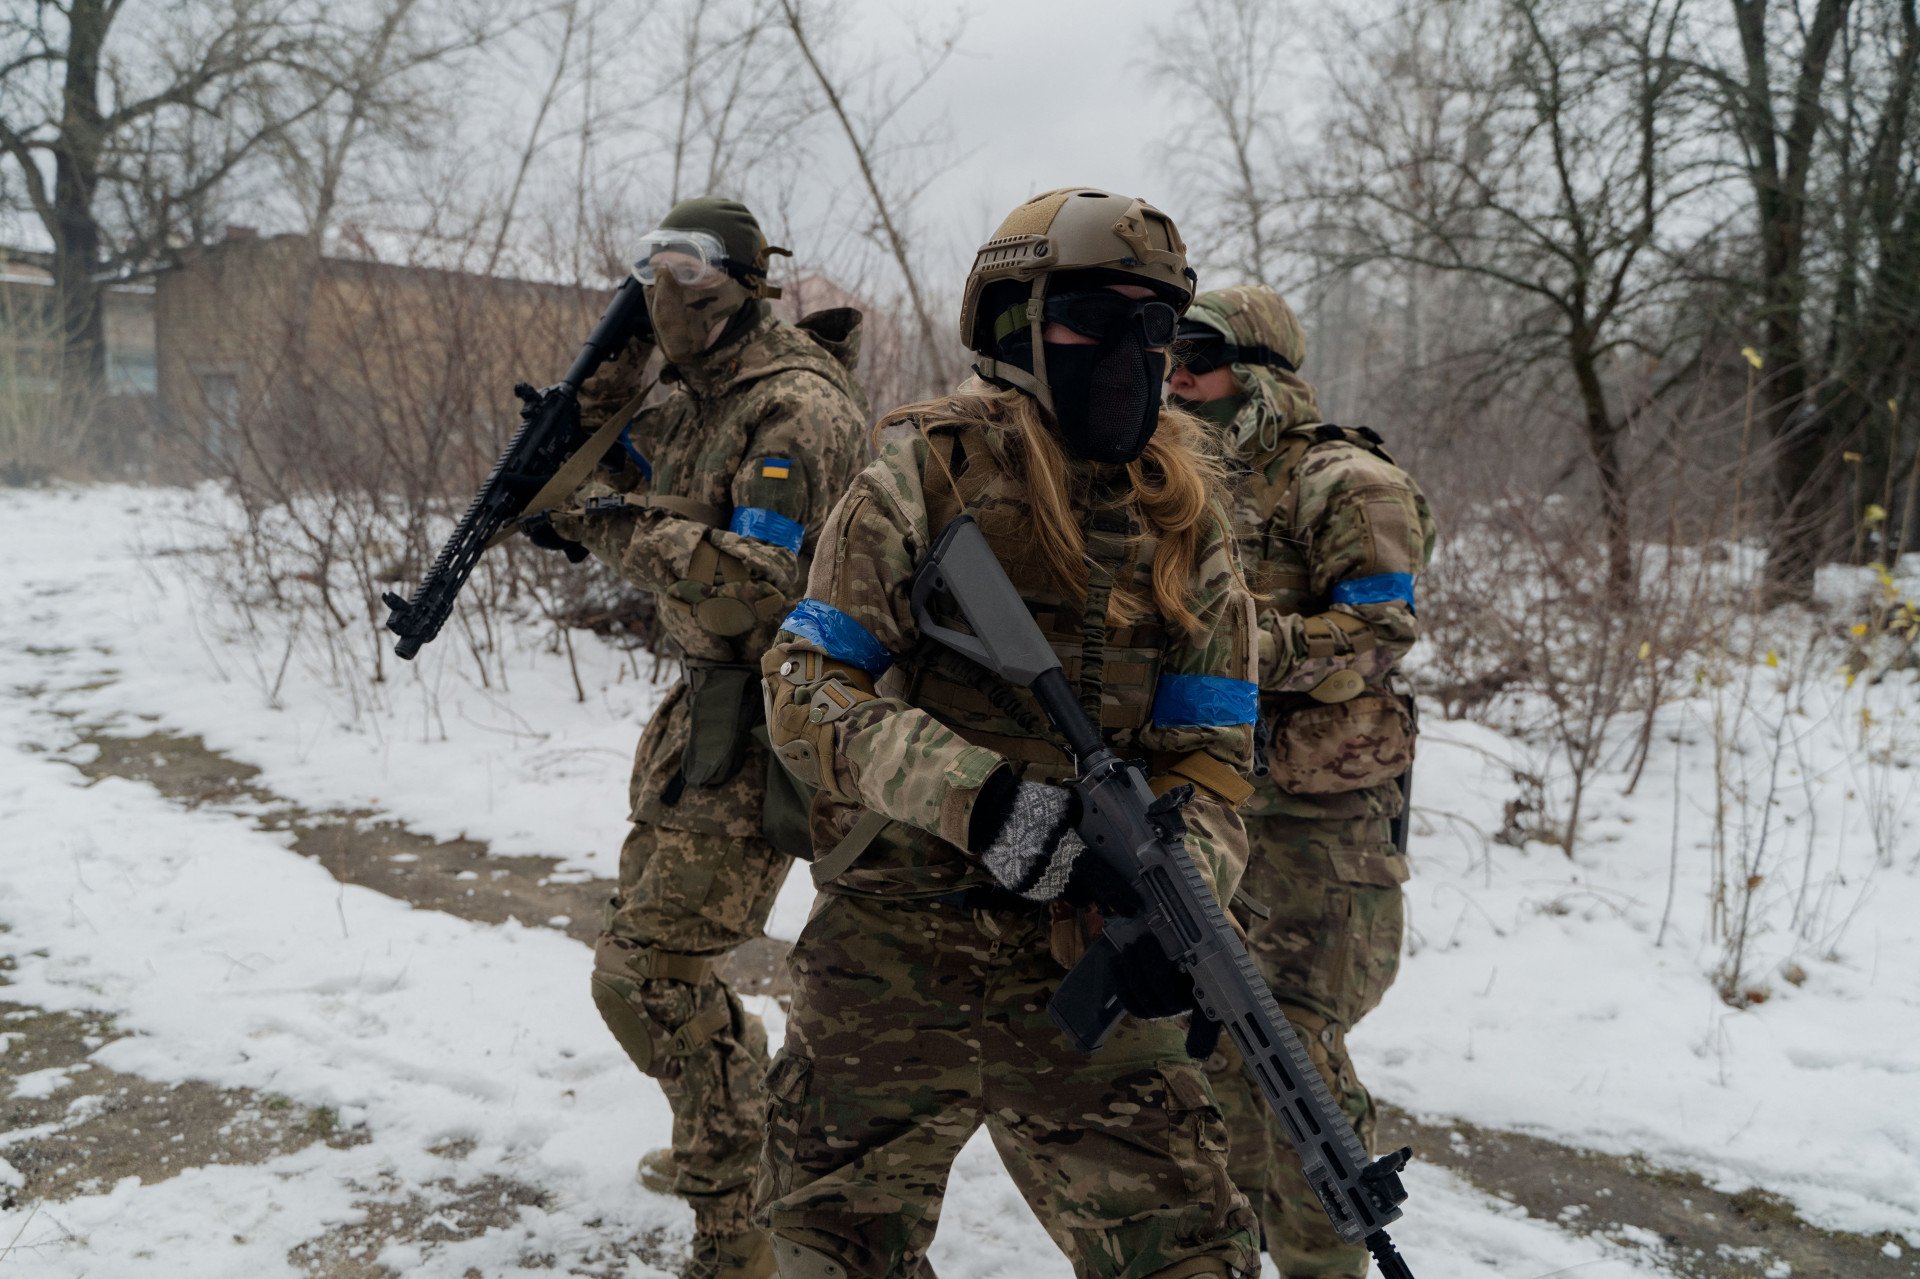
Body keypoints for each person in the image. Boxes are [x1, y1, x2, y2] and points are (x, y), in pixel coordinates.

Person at [754, 188, 1263, 1279]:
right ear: (1013, 322)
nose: (1129, 349)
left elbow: (1213, 764)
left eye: (1154, 324)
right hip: (896, 946)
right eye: (1093, 317)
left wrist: (1182, 888)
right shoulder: (926, 472)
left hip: (1088, 961)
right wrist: (979, 798)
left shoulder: (1190, 523)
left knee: (1194, 1255)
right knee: (827, 1249)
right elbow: (806, 685)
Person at [531, 197, 870, 1279]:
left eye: (685, 272)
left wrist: (599, 519)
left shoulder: (799, 412)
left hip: (774, 714)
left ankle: (740, 1231)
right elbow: (628, 467)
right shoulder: (700, 392)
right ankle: (729, 1121)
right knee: (654, 959)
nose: (663, 290)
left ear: (742, 283)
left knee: (647, 975)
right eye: (649, 270)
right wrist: (603, 393)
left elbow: (756, 587)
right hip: (704, 719)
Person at [1167, 285, 1436, 1279]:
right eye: (1166, 351)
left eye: (1197, 351)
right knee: (1213, 1054)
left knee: (1295, 1064)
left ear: (1262, 367)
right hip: (1213, 808)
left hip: (1317, 834)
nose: (1175, 371)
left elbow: (1378, 633)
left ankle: (1327, 1262)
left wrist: (1231, 646)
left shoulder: (1345, 480)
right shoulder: (1185, 479)